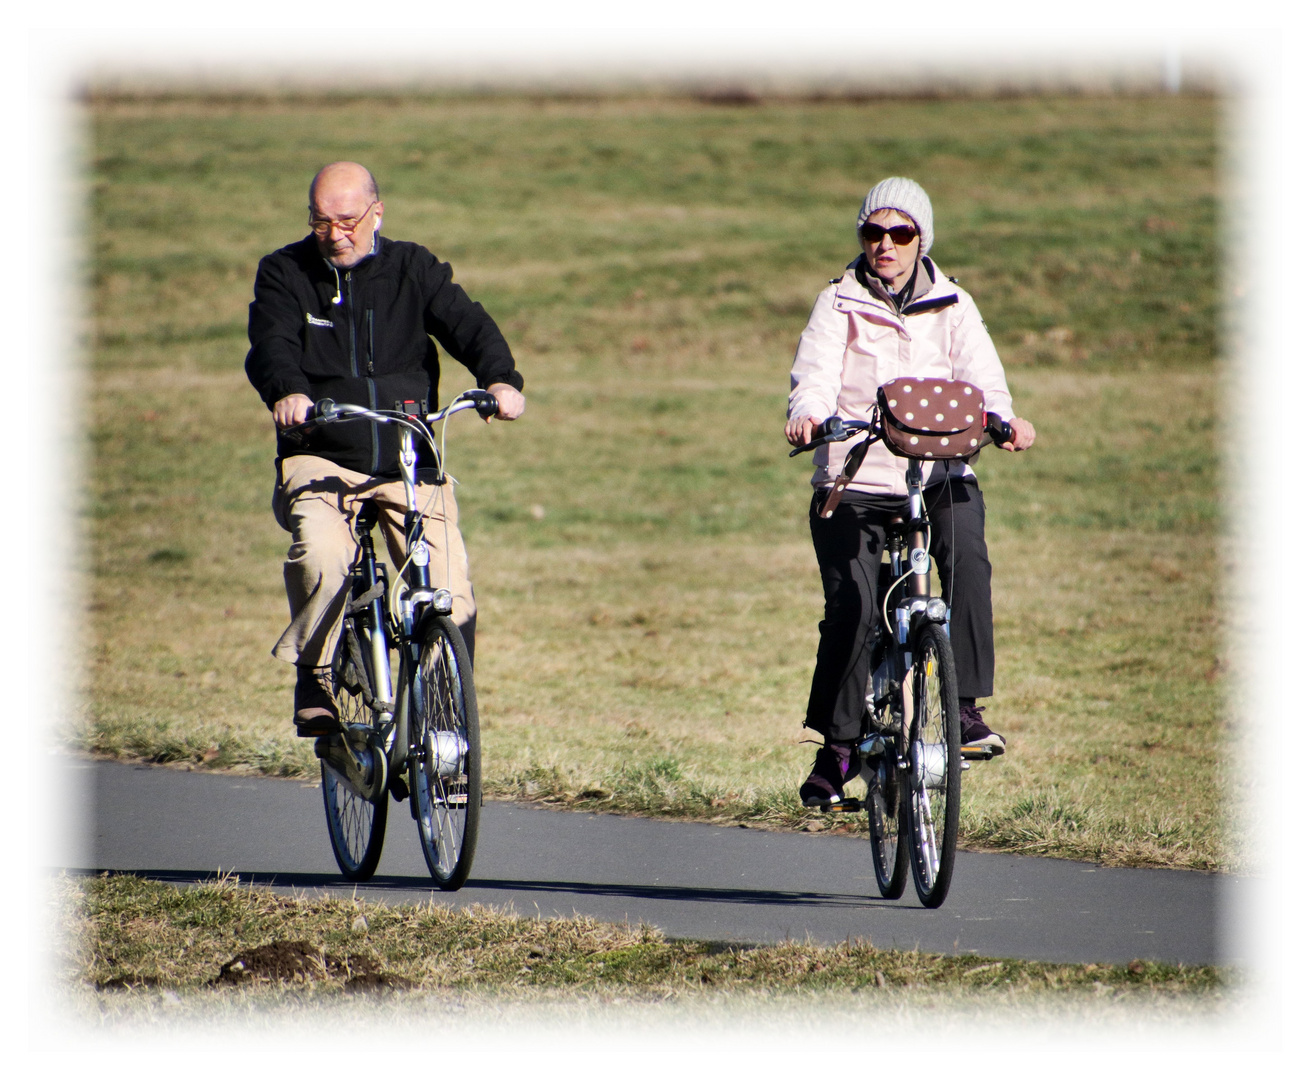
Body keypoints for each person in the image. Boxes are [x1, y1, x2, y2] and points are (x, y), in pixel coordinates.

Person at [245, 161, 525, 737]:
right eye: (321, 221)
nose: (336, 233)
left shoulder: (412, 269)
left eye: (348, 219)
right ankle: (316, 676)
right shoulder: (284, 272)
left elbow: (468, 324)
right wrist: (289, 392)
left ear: (378, 213)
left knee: (451, 591)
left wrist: (501, 381)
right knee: (324, 557)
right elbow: (270, 344)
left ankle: (447, 728)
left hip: (408, 455)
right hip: (321, 456)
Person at [785, 177, 1036, 806]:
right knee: (855, 607)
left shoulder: (953, 304)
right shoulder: (837, 303)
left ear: (921, 239)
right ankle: (838, 749)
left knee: (970, 562)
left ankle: (967, 711)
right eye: (874, 232)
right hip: (855, 480)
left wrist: (1004, 420)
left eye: (900, 233)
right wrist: (808, 414)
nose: (886, 245)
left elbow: (983, 379)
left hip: (939, 474)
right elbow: (813, 375)